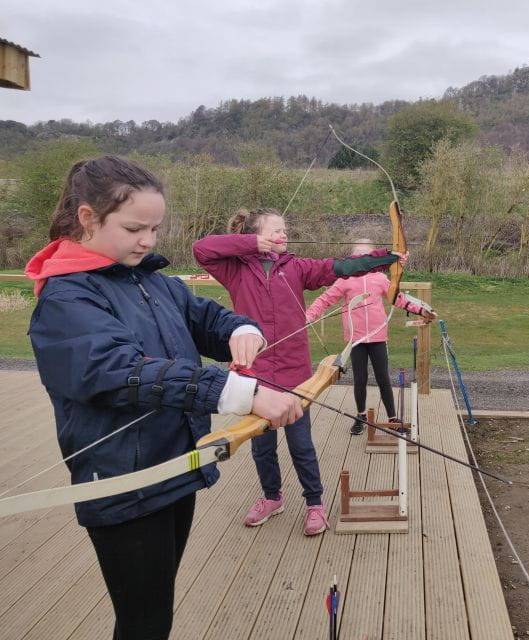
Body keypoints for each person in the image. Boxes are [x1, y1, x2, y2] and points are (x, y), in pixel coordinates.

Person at [25, 156, 303, 640]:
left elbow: (204, 318)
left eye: (154, 228)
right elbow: (117, 372)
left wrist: (240, 328)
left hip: (172, 464)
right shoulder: (67, 298)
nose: (148, 241)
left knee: (158, 607)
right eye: (135, 228)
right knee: (144, 620)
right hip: (123, 480)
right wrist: (237, 391)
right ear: (88, 217)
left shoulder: (149, 280)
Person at [192, 209, 404, 532]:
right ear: (257, 235)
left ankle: (315, 503)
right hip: (257, 376)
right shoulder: (235, 271)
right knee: (262, 446)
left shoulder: (297, 268)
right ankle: (271, 497)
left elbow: (343, 267)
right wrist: (250, 244)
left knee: (300, 444)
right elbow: (202, 249)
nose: (283, 235)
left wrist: (387, 257)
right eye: (275, 231)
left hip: (295, 374)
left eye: (284, 230)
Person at [305, 239, 401, 435]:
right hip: (355, 340)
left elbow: (397, 297)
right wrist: (308, 316)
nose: (361, 258)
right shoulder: (345, 279)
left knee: (383, 377)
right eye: (357, 254)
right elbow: (325, 299)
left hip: (377, 337)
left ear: (373, 258)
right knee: (360, 378)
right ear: (352, 257)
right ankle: (361, 416)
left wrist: (418, 309)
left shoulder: (380, 279)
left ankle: (392, 418)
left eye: (366, 255)